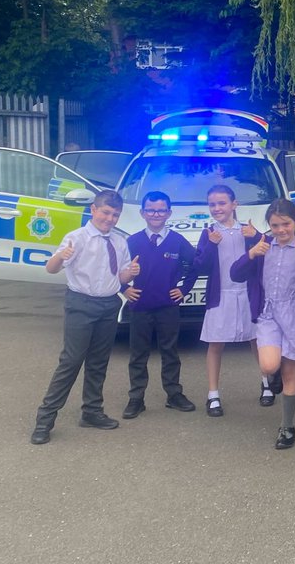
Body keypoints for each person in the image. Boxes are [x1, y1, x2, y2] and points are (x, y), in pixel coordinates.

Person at [30, 189, 140, 444]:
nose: (110, 219)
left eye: (115, 215)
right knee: (71, 361)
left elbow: (120, 277)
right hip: (81, 304)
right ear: (93, 209)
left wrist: (131, 272)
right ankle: (45, 419)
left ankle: (92, 411)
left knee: (98, 362)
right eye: (105, 212)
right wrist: (60, 256)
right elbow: (51, 268)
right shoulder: (76, 238)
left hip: (109, 305)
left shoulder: (119, 242)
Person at [230, 200, 295, 449]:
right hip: (268, 312)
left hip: (294, 313)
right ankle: (272, 374)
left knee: (290, 373)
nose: (280, 230)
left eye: (285, 224)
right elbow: (236, 274)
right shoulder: (263, 245)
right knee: (268, 366)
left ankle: (287, 427)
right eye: (275, 225)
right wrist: (251, 254)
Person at [121, 191, 198, 419]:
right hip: (140, 306)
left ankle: (174, 395)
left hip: (168, 307)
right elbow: (114, 269)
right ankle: (136, 398)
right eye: (151, 210)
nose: (156, 214)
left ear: (169, 213)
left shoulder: (177, 241)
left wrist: (184, 289)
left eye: (161, 210)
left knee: (170, 352)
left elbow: (195, 265)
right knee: (138, 354)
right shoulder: (132, 241)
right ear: (143, 213)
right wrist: (123, 288)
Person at [193, 185, 261, 417]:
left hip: (246, 293)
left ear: (234, 204)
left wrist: (257, 237)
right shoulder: (209, 232)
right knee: (215, 343)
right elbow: (200, 266)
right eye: (212, 204)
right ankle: (213, 394)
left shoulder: (248, 230)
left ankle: (266, 382)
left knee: (256, 339)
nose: (217, 208)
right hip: (221, 294)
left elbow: (264, 254)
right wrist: (211, 244)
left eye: (222, 203)